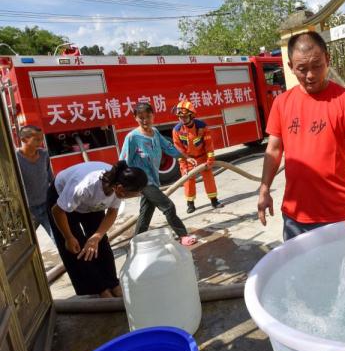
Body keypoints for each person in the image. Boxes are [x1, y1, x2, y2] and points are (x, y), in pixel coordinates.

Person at [258, 31, 345, 241]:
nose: (310, 75)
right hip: (295, 214)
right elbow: (273, 149)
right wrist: (264, 188)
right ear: (291, 66)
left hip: (336, 211)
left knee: (338, 271)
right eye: (302, 69)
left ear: (327, 59)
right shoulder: (282, 103)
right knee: (300, 272)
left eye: (317, 65)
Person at [48, 160, 147, 297]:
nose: (129, 198)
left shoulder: (118, 185)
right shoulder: (85, 186)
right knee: (77, 247)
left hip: (91, 204)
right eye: (131, 195)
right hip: (61, 200)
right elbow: (57, 211)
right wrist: (68, 237)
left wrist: (96, 236)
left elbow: (112, 212)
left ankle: (112, 283)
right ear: (119, 188)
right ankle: (98, 290)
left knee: (100, 243)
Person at [120, 101, 198, 246]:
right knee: (168, 206)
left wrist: (186, 157)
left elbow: (168, 147)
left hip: (153, 179)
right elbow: (123, 160)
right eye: (140, 117)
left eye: (147, 116)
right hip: (142, 181)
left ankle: (136, 242)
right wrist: (122, 183)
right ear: (135, 118)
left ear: (153, 116)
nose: (145, 120)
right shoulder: (132, 137)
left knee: (146, 212)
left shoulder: (155, 132)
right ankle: (183, 235)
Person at [172, 99, 223, 212]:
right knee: (188, 181)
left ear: (192, 115)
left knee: (209, 178)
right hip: (188, 159)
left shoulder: (202, 127)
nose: (182, 119)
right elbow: (179, 150)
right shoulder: (177, 130)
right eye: (180, 117)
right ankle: (190, 204)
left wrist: (210, 160)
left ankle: (214, 200)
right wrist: (184, 165)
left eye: (184, 117)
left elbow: (209, 145)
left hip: (203, 157)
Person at [16, 125, 55, 241]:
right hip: (26, 210)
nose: (41, 142)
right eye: (37, 139)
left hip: (45, 205)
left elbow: (50, 178)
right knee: (24, 243)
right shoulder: (15, 158)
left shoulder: (44, 155)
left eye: (41, 138)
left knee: (58, 238)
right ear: (24, 140)